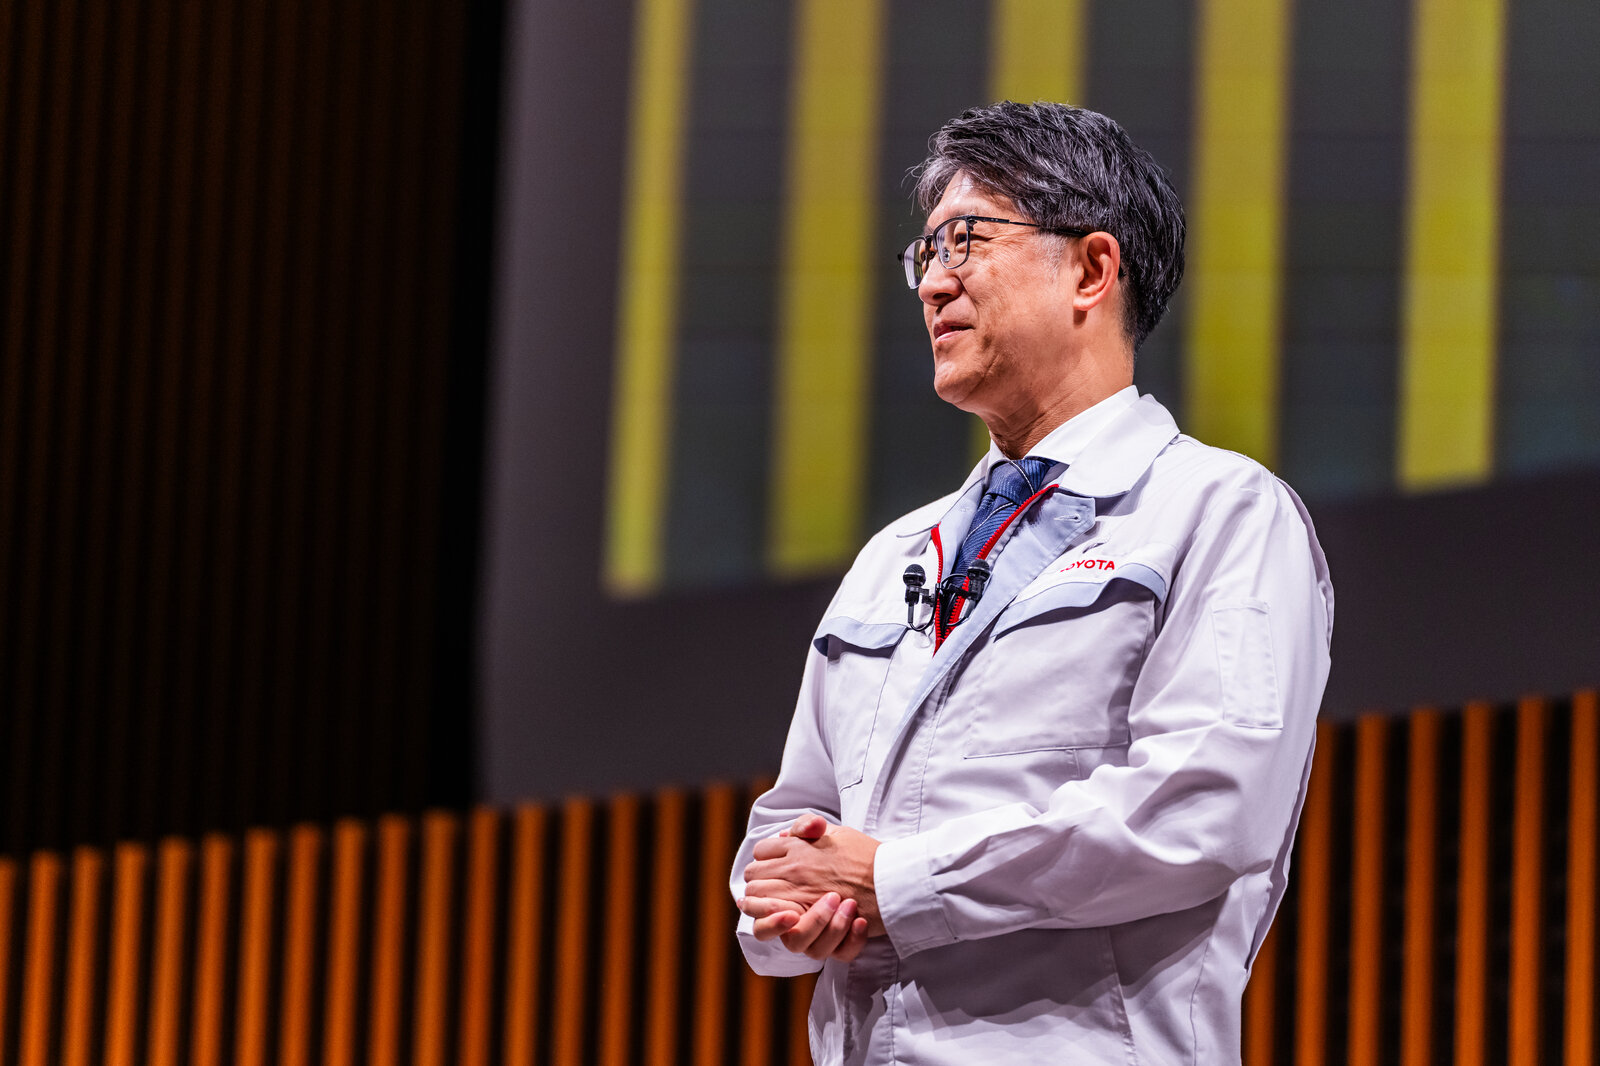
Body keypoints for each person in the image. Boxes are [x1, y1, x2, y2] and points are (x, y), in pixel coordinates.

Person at [731, 101, 1333, 1064]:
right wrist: (784, 904)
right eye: (926, 253)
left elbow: (1202, 808)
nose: (935, 282)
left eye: (967, 242)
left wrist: (898, 885)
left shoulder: (1218, 509)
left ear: (1092, 269)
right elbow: (788, 829)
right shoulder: (894, 555)